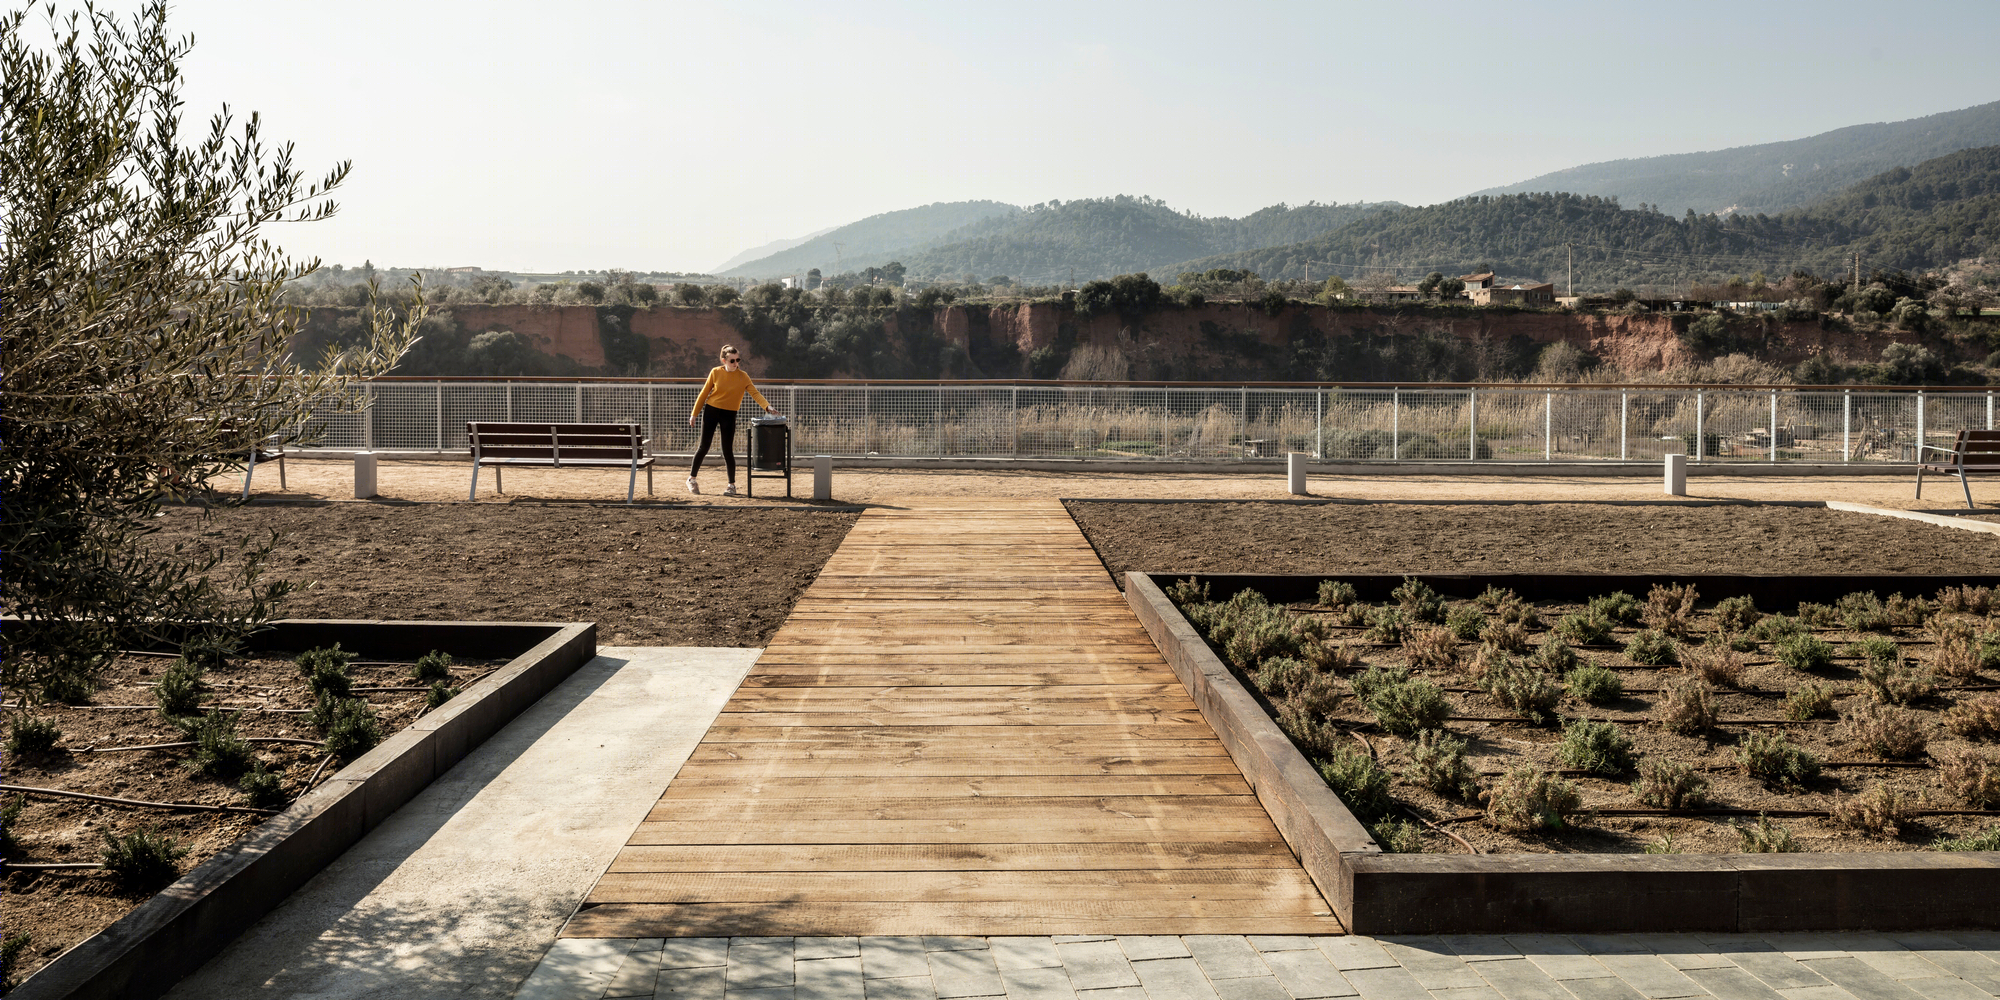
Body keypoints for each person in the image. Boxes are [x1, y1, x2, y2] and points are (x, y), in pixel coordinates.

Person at [687, 344, 778, 495]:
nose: (736, 363)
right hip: (711, 410)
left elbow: (755, 393)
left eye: (738, 360)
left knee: (727, 450)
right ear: (724, 360)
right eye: (732, 361)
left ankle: (731, 486)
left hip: (729, 414)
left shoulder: (743, 376)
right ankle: (691, 479)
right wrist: (694, 413)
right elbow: (704, 393)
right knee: (704, 446)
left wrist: (767, 407)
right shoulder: (715, 372)